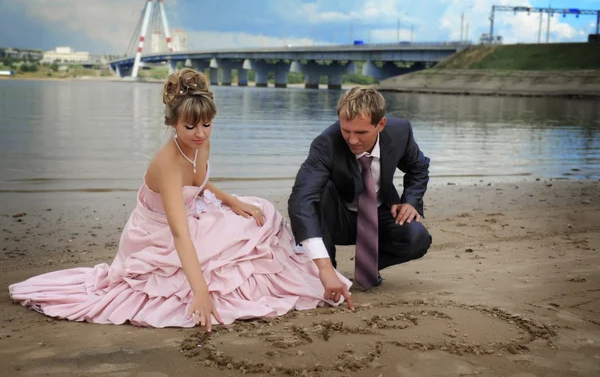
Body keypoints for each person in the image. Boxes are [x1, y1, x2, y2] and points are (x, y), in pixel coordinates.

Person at [9, 69, 352, 332]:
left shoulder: (201, 142)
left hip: (193, 211)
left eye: (207, 124)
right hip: (158, 234)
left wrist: (231, 200)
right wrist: (200, 291)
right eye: (190, 127)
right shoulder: (166, 164)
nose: (200, 134)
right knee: (226, 252)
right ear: (173, 124)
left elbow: (199, 183)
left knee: (261, 213)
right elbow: (179, 234)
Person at [288, 87, 431, 303]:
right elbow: (301, 200)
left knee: (417, 237)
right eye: (346, 131)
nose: (352, 140)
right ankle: (329, 272)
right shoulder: (326, 143)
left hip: (379, 215)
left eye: (361, 133)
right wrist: (325, 269)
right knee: (320, 192)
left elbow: (418, 167)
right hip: (338, 219)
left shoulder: (401, 132)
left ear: (380, 125)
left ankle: (368, 266)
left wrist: (410, 201)